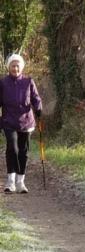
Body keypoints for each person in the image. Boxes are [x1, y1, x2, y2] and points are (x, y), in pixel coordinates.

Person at [1, 53, 42, 194]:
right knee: (12, 148)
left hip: (26, 121)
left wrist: (38, 108)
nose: (15, 69)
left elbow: (36, 98)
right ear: (9, 67)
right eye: (13, 66)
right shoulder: (3, 83)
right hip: (8, 121)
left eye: (17, 66)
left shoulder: (28, 81)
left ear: (21, 67)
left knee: (23, 151)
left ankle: (20, 182)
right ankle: (10, 181)